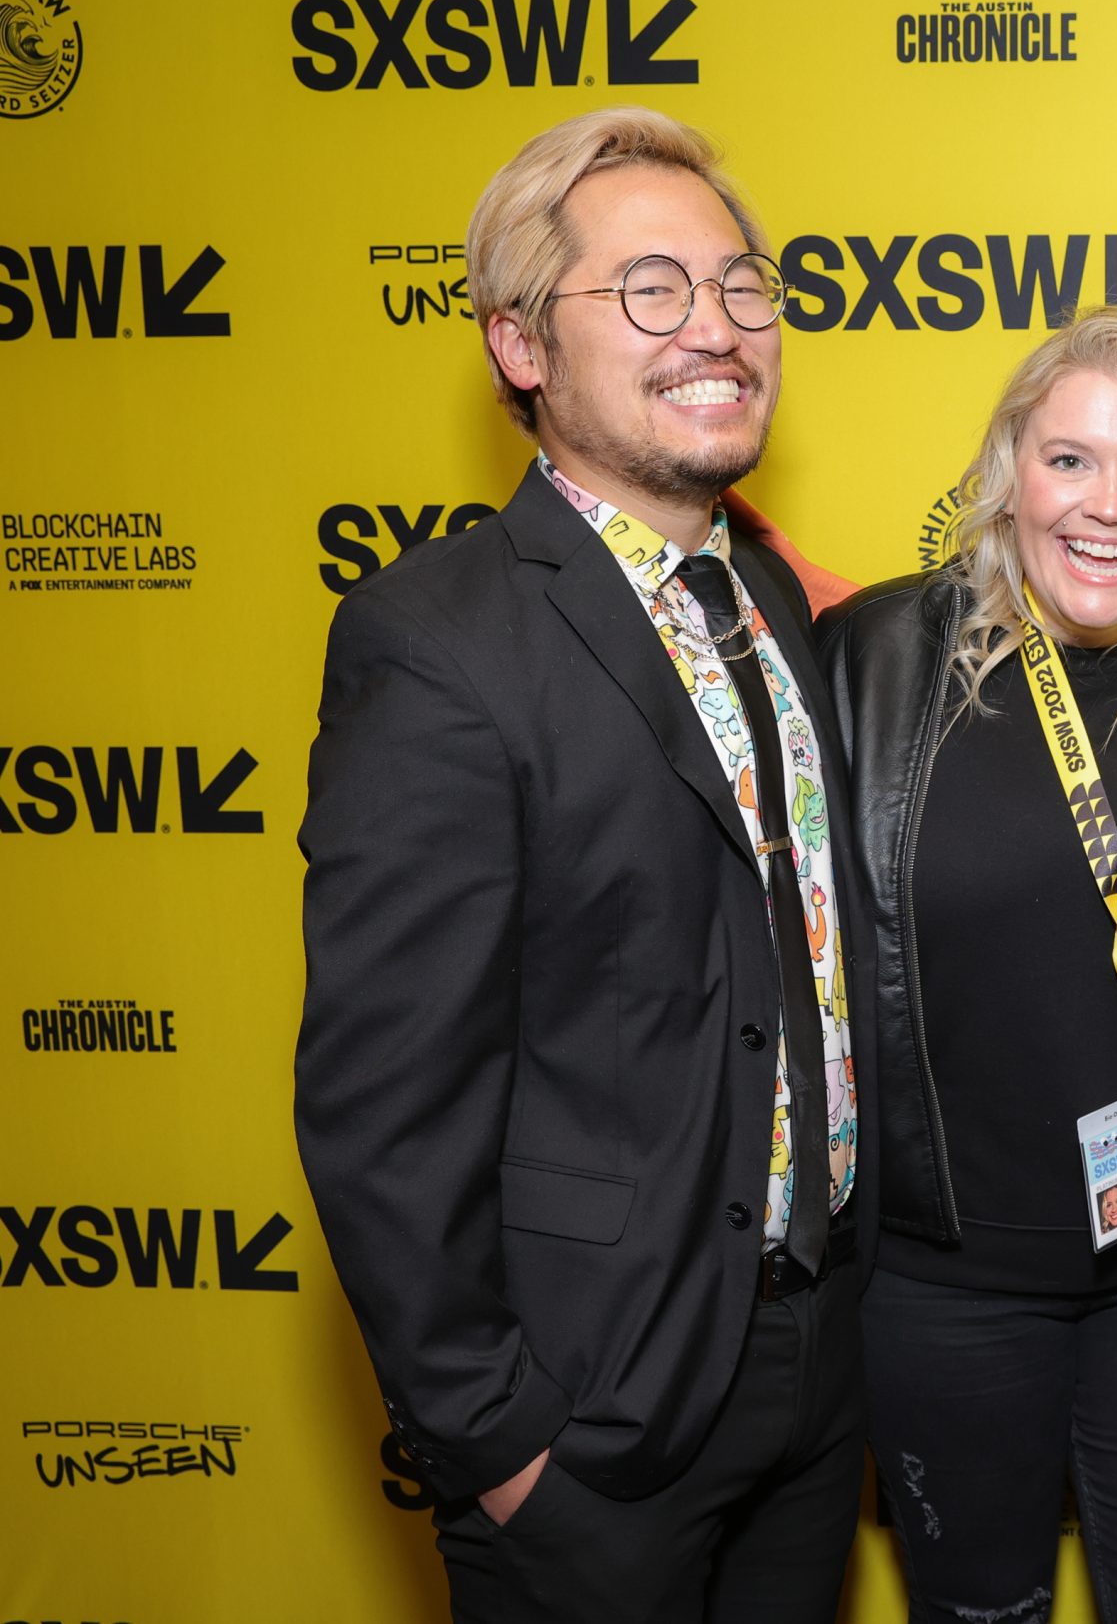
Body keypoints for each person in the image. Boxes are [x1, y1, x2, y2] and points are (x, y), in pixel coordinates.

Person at [294, 107, 874, 1624]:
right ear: (521, 346)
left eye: (744, 287)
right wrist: (499, 1445)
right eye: (652, 290)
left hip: (814, 1380)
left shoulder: (774, 603)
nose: (720, 329)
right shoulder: (440, 643)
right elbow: (382, 1100)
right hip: (595, 1427)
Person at [816, 308, 1117, 1624]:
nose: (1110, 505)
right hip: (946, 1289)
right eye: (1071, 460)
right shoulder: (873, 663)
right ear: (1007, 474)